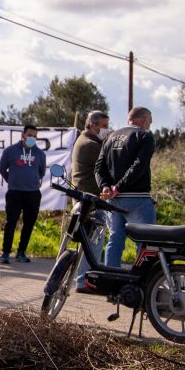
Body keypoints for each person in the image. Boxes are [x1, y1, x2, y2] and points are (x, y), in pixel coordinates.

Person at [95, 107, 156, 268]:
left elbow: (99, 167)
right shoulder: (144, 136)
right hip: (138, 198)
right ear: (143, 120)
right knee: (146, 244)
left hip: (113, 202)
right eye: (150, 120)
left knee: (115, 241)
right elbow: (139, 165)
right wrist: (119, 187)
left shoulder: (110, 137)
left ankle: (110, 281)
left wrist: (105, 187)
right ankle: (144, 283)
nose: (150, 124)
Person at [71, 110, 111, 290]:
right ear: (93, 125)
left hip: (86, 198)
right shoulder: (91, 145)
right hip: (91, 200)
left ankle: (84, 279)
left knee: (90, 241)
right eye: (104, 126)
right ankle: (84, 280)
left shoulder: (85, 140)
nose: (107, 130)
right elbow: (110, 164)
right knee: (93, 243)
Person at [0, 125, 46, 263]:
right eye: (30, 135)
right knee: (11, 222)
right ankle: (6, 253)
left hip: (33, 194)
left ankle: (21, 252)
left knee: (29, 224)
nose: (32, 138)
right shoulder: (10, 151)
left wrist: (31, 180)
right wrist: (12, 180)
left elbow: (41, 172)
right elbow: (2, 168)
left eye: (35, 136)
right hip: (15, 193)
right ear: (23, 135)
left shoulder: (40, 154)